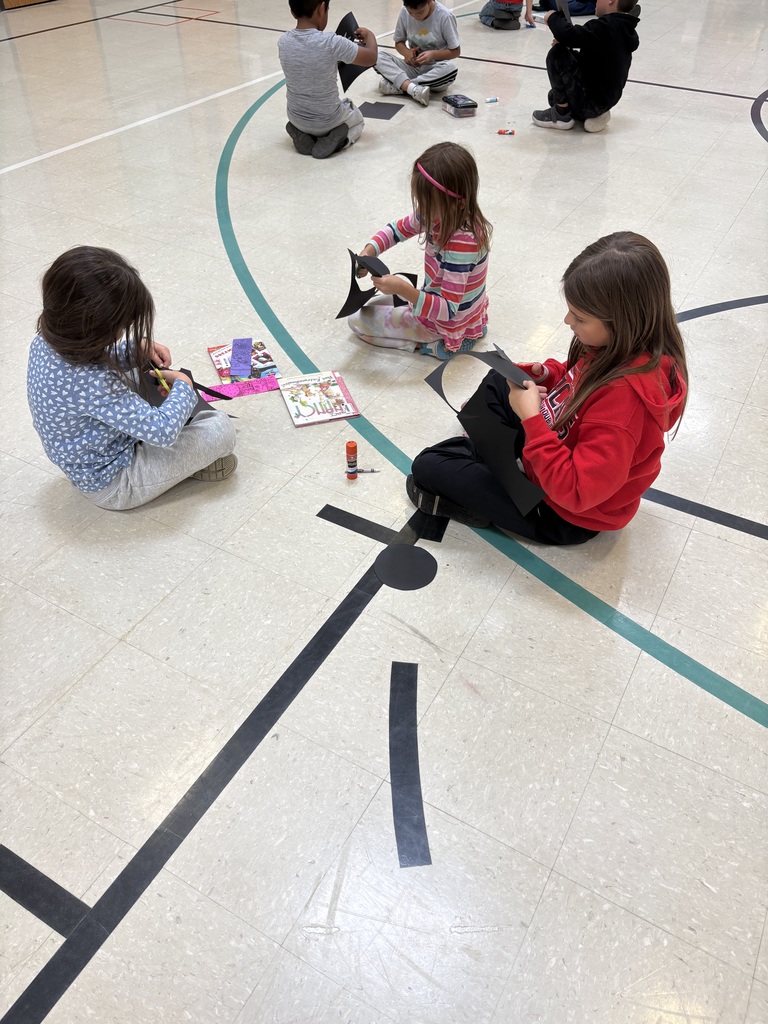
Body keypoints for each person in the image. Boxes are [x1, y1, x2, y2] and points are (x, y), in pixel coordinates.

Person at [407, 232, 688, 544]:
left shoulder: (623, 408)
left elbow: (576, 492)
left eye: (579, 317)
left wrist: (531, 420)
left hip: (561, 513)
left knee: (428, 465)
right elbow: (579, 379)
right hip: (552, 452)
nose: (568, 320)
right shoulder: (620, 345)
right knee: (502, 380)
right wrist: (547, 376)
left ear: (622, 321)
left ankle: (483, 467)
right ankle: (487, 459)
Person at [27, 246, 237, 511]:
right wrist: (184, 385)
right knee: (221, 429)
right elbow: (162, 433)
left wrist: (132, 350)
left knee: (143, 385)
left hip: (85, 460)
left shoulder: (44, 339)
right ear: (94, 331)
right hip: (115, 483)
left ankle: (176, 463)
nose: (124, 331)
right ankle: (179, 470)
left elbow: (93, 368)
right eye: (121, 327)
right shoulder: (94, 383)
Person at [348, 142, 491, 361]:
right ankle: (463, 333)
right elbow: (397, 230)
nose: (420, 212)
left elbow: (448, 310)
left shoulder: (462, 244)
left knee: (356, 322)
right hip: (457, 309)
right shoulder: (439, 213)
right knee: (371, 307)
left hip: (443, 321)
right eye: (420, 202)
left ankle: (435, 346)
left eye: (427, 204)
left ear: (458, 203)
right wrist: (370, 250)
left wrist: (404, 290)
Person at [277, 0, 377, 158]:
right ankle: (341, 141)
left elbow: (308, 64)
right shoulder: (332, 42)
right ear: (322, 8)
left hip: (295, 117)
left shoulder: (283, 42)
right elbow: (371, 58)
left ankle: (302, 133)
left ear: (292, 12)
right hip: (328, 121)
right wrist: (370, 36)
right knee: (357, 118)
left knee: (303, 116)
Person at [532, 0, 640, 133]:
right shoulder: (623, 28)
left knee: (557, 54)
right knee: (552, 96)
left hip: (590, 102)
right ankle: (598, 115)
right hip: (604, 100)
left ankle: (561, 115)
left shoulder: (605, 27)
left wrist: (553, 17)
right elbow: (592, 56)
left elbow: (569, 34)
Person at [376, 0, 460, 107]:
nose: (415, 16)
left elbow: (456, 51)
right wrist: (407, 53)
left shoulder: (445, 16)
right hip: (413, 67)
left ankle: (402, 85)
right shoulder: (404, 12)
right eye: (411, 12)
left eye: (420, 12)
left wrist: (433, 55)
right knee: (377, 56)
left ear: (430, 1)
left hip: (435, 70)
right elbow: (398, 43)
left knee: (450, 69)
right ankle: (412, 88)